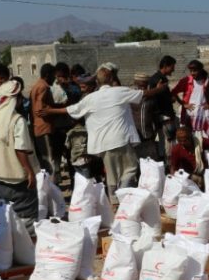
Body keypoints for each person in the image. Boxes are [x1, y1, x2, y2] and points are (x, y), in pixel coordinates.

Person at [39, 73, 170, 200]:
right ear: (111, 79)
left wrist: (50, 111)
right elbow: (145, 94)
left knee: (111, 175)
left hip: (103, 144)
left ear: (98, 82)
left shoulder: (90, 98)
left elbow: (71, 109)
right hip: (121, 140)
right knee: (131, 168)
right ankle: (122, 191)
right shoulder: (119, 91)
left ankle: (113, 201)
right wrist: (160, 88)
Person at [0, 80, 39, 234]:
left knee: (4, 217)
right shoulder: (17, 120)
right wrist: (29, 171)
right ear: (13, 99)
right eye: (19, 96)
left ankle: (9, 250)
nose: (21, 99)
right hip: (19, 179)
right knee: (26, 217)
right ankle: (27, 251)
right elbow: (20, 149)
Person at [172, 61, 209, 140]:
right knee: (188, 139)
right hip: (188, 115)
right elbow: (174, 92)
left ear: (200, 70)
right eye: (191, 71)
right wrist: (183, 104)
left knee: (205, 140)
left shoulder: (208, 81)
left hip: (204, 115)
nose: (192, 73)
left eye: (195, 71)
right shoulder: (186, 81)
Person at [30, 63, 64, 181]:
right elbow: (40, 109)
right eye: (53, 76)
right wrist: (56, 110)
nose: (55, 79)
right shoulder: (43, 87)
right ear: (47, 75)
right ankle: (52, 186)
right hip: (44, 127)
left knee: (44, 160)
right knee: (49, 160)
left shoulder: (37, 85)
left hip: (38, 127)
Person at [65, 75, 103, 180]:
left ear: (91, 86)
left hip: (95, 132)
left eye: (84, 83)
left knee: (95, 162)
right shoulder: (84, 96)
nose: (81, 85)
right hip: (87, 133)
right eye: (80, 83)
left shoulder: (93, 97)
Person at [148, 54, 178, 150]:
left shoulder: (154, 78)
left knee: (162, 140)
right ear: (165, 66)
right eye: (172, 67)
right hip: (165, 115)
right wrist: (171, 99)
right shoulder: (160, 80)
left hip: (158, 116)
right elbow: (161, 98)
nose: (173, 70)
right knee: (170, 141)